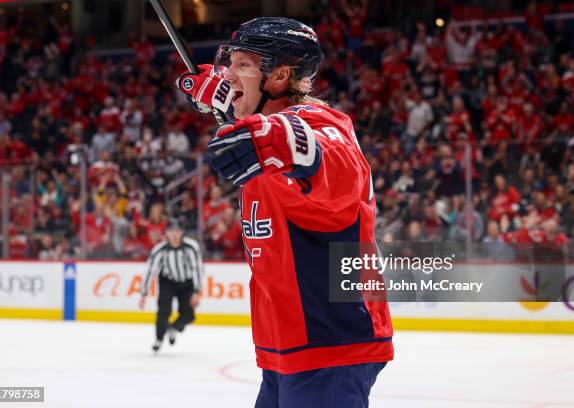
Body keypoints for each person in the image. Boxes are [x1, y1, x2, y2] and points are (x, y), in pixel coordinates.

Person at [177, 17, 393, 407]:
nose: (227, 73)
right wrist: (233, 106)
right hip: (287, 343)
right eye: (229, 63)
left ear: (278, 77)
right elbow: (262, 130)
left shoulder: (318, 127)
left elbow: (339, 165)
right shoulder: (261, 128)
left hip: (330, 344)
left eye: (243, 65)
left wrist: (284, 141)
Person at [138, 217, 203, 352]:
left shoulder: (191, 247)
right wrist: (143, 293)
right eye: (171, 231)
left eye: (178, 231)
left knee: (189, 315)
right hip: (167, 282)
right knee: (163, 310)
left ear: (183, 232)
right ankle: (159, 338)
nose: (174, 234)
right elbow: (151, 270)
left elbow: (198, 269)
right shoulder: (160, 249)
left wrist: (197, 291)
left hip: (187, 283)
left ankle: (173, 328)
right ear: (166, 233)